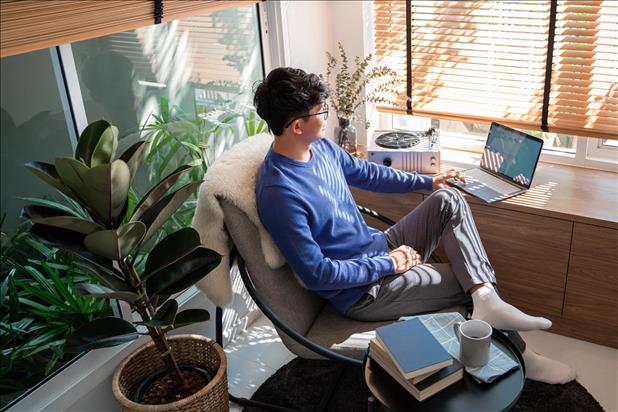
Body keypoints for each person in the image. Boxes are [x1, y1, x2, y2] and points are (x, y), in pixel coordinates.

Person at [254, 67, 575, 384]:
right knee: (468, 285)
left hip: (380, 247)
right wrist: (388, 263)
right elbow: (319, 275)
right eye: (321, 111)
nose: (328, 116)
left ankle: (488, 303)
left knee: (448, 201)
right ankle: (523, 357)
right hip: (363, 291)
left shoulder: (319, 148)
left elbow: (368, 174)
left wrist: (427, 181)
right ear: (297, 126)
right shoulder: (279, 193)